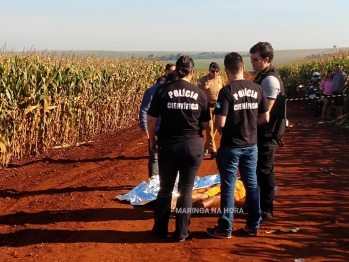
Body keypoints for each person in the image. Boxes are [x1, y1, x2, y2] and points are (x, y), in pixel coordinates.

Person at [147, 55, 211, 242]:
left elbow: (151, 119)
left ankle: (160, 229)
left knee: (165, 188)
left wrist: (152, 140)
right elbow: (205, 124)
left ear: (176, 71)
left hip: (168, 146)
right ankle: (182, 232)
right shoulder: (200, 94)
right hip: (192, 147)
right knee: (186, 189)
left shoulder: (162, 90)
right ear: (192, 71)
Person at [206, 52, 269, 239]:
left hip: (231, 145)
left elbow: (220, 123)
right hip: (251, 145)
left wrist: (236, 125)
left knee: (229, 186)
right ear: (243, 68)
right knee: (251, 184)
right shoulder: (258, 89)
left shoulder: (226, 91)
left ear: (226, 70)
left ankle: (225, 228)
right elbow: (265, 117)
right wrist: (249, 124)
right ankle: (253, 225)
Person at [249, 41, 285, 219]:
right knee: (257, 169)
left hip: (267, 132)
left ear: (266, 59)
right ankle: (255, 204)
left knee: (265, 170)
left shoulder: (269, 79)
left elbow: (265, 113)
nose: (252, 62)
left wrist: (246, 124)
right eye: (251, 59)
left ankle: (266, 208)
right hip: (261, 131)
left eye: (255, 59)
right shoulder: (261, 75)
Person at [139, 72, 178, 179]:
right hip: (156, 128)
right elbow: (144, 110)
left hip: (167, 129)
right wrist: (144, 126)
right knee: (154, 156)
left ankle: (166, 180)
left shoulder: (171, 91)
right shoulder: (152, 91)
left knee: (168, 155)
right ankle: (154, 181)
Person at [198, 62, 224, 159]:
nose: (215, 73)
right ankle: (213, 151)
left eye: (217, 71)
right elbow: (198, 93)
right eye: (213, 71)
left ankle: (206, 148)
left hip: (217, 105)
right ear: (209, 70)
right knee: (209, 127)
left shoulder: (220, 79)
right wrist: (205, 88)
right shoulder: (203, 80)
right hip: (207, 106)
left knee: (215, 127)